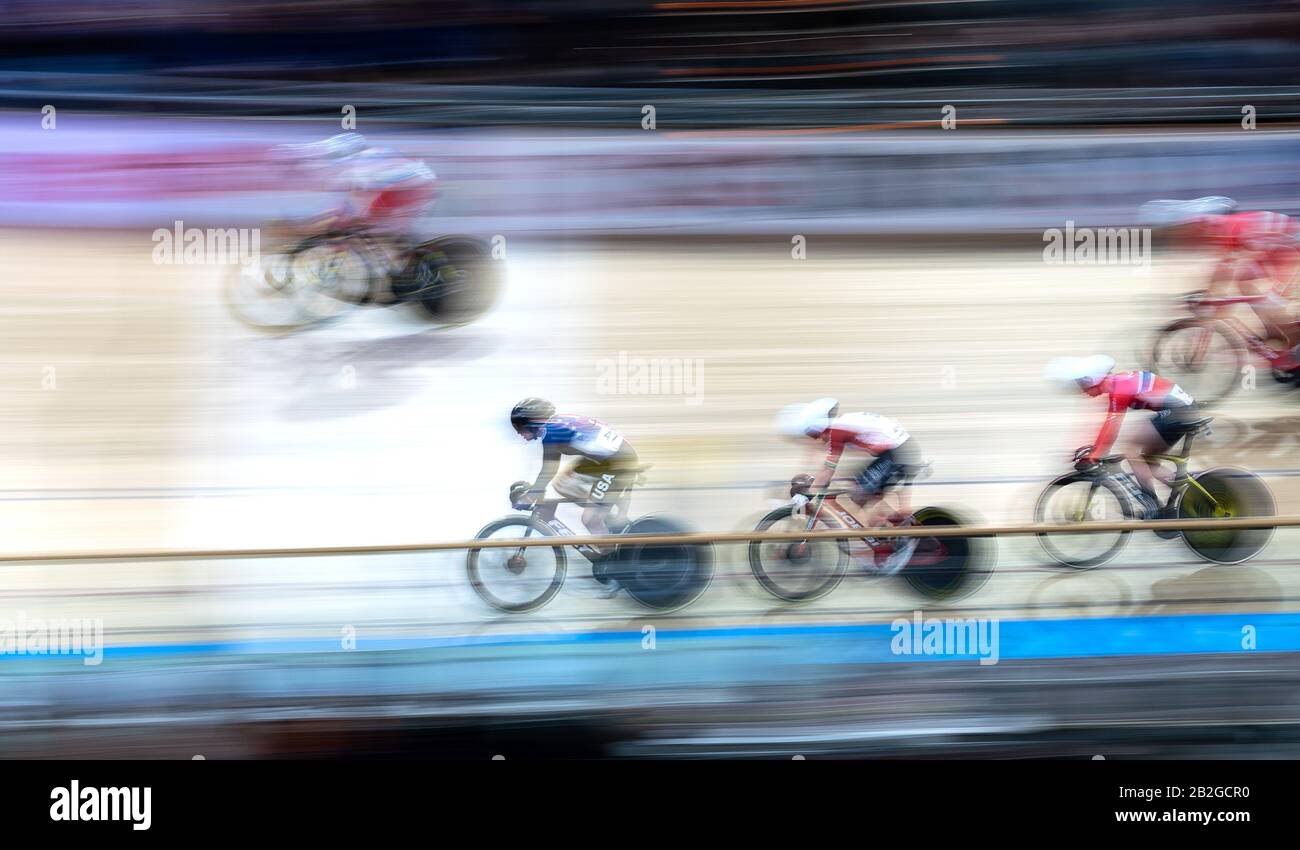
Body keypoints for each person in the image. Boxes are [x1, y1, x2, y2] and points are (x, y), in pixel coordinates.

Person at [1140, 196, 1300, 370]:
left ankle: (1292, 339)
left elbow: (1223, 274)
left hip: (1289, 252)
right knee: (1244, 281)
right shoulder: (1226, 228)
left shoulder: (1225, 229)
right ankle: (1274, 331)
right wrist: (1209, 296)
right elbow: (1221, 272)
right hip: (1279, 251)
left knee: (1271, 301)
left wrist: (1213, 300)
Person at [1045, 355, 1202, 519]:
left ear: (1091, 380)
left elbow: (1111, 427)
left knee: (1130, 448)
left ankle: (1151, 503)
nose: (1082, 390)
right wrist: (1095, 450)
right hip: (1182, 410)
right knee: (1148, 461)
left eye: (1082, 384)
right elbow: (1101, 425)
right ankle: (1185, 493)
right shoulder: (1117, 383)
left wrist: (1095, 455)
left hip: (1177, 412)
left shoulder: (1118, 389)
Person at [510, 398, 642, 592]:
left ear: (532, 422)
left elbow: (549, 467)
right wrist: (536, 490)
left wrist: (533, 493)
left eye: (519, 428)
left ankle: (617, 568)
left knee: (590, 519)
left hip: (616, 462)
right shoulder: (558, 424)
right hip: (609, 459)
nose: (520, 434)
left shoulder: (550, 430)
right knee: (562, 484)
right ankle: (607, 515)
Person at [777, 398, 923, 572]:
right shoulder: (837, 426)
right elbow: (814, 454)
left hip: (896, 453)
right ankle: (889, 537)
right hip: (897, 451)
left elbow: (828, 470)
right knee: (858, 492)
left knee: (858, 495)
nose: (816, 439)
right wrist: (809, 478)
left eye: (813, 434)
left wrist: (808, 493)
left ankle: (898, 543)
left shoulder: (836, 430)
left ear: (819, 425)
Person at [271, 132, 438, 240]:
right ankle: (409, 252)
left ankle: (409, 253)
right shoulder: (365, 159)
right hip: (416, 183)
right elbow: (342, 206)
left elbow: (348, 208)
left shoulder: (363, 163)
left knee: (366, 224)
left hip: (411, 186)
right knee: (369, 225)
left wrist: (312, 223)